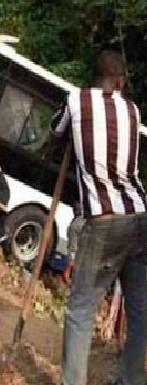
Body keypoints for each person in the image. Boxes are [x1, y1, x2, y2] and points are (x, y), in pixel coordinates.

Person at [50, 50, 147, 385]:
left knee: (80, 311)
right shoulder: (133, 110)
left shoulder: (75, 101)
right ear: (120, 81)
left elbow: (55, 132)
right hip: (139, 215)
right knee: (139, 312)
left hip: (104, 221)